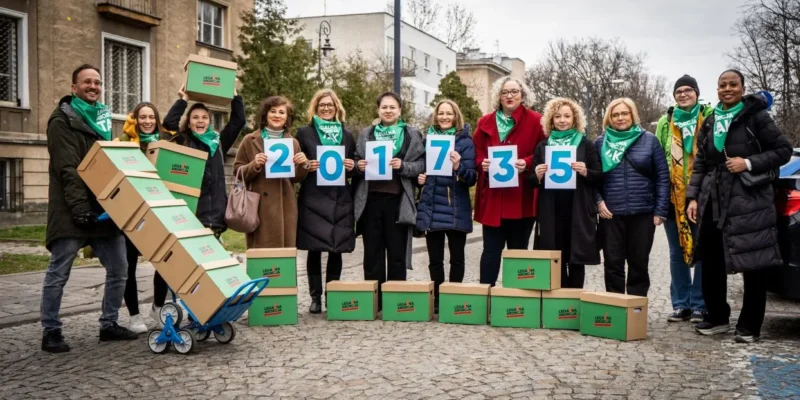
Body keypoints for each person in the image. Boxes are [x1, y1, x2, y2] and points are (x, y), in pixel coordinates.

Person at [687, 69, 791, 343]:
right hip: (714, 197)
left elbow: (783, 151)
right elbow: (700, 163)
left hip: (750, 199)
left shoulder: (756, 117)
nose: (727, 89)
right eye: (722, 85)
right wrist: (694, 197)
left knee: (753, 262)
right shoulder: (710, 121)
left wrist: (747, 163)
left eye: (733, 84)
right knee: (710, 259)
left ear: (742, 88)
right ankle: (717, 317)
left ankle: (749, 325)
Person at [41, 64, 139, 353]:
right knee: (59, 271)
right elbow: (67, 168)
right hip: (72, 209)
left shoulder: (103, 120)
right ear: (74, 88)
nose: (93, 86)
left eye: (97, 82)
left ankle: (108, 324)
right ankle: (51, 330)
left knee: (120, 268)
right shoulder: (61, 120)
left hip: (103, 209)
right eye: (87, 82)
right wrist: (80, 208)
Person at [156, 87, 245, 322]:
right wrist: (184, 99)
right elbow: (168, 123)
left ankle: (204, 311)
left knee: (209, 267)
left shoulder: (218, 143)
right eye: (195, 117)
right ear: (190, 121)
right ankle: (180, 308)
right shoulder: (184, 141)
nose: (200, 121)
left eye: (204, 117)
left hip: (214, 215)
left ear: (210, 121)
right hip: (191, 215)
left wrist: (234, 95)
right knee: (188, 267)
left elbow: (238, 121)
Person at [353, 92, 425, 309]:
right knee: (372, 253)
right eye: (384, 107)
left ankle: (396, 300)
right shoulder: (367, 133)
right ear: (378, 110)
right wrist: (359, 166)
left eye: (392, 107)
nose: (388, 111)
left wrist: (402, 166)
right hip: (371, 200)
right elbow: (356, 160)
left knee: (396, 253)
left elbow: (421, 165)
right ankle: (374, 302)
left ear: (400, 110)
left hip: (397, 201)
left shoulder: (412, 134)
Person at [594, 98, 669, 297]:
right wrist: (598, 201)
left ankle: (636, 310)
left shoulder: (649, 140)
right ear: (609, 118)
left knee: (639, 265)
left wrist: (661, 210)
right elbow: (592, 179)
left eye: (624, 113)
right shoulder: (600, 142)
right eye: (615, 114)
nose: (620, 118)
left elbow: (662, 176)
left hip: (643, 213)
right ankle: (615, 309)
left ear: (632, 115)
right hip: (611, 214)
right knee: (612, 265)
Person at [473, 77, 545, 286]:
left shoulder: (535, 120)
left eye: (514, 91)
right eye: (505, 92)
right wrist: (481, 162)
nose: (510, 96)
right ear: (499, 96)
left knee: (518, 251)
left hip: (521, 195)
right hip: (494, 197)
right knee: (490, 250)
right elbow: (476, 150)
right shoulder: (485, 122)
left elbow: (543, 150)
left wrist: (527, 162)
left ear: (522, 95)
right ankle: (486, 295)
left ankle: (515, 300)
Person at [655, 75, 712, 323]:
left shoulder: (709, 118)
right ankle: (681, 304)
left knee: (702, 250)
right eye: (679, 90)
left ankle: (700, 303)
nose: (683, 94)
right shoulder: (665, 123)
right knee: (677, 252)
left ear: (697, 93)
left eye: (688, 90)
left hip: (702, 197)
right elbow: (658, 160)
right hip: (672, 198)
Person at [293, 90, 354, 314]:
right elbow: (297, 162)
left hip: (339, 196)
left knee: (336, 248)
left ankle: (333, 294)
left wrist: (352, 166)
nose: (326, 108)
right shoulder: (304, 132)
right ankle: (315, 297)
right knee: (314, 248)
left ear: (337, 107)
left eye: (330, 105)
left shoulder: (346, 135)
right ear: (315, 107)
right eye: (322, 105)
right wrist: (306, 164)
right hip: (313, 195)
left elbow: (355, 163)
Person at [531, 98, 601, 288]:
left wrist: (586, 171)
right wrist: (537, 175)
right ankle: (559, 301)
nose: (562, 120)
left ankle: (575, 299)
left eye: (567, 116)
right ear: (551, 120)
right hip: (551, 211)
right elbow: (531, 181)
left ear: (575, 119)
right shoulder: (543, 146)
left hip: (577, 209)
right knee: (555, 256)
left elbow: (599, 174)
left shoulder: (585, 144)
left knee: (576, 257)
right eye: (558, 116)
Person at [415, 100, 476, 312]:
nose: (444, 117)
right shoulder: (427, 140)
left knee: (457, 258)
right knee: (435, 260)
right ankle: (439, 299)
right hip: (432, 205)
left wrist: (459, 166)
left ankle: (454, 296)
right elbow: (420, 170)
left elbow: (471, 178)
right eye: (441, 113)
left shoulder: (466, 142)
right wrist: (419, 179)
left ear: (455, 116)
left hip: (456, 206)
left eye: (449, 113)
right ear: (436, 116)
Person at [118, 102, 173, 333]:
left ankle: (158, 307)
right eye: (143, 117)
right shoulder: (125, 144)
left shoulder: (166, 144)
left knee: (166, 263)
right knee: (127, 267)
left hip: (158, 212)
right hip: (131, 212)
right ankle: (134, 316)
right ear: (135, 120)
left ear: (157, 120)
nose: (147, 121)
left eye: (152, 117)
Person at [233, 96, 309, 249]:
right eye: (273, 111)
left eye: (282, 112)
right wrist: (254, 164)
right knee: (262, 254)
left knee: (284, 255)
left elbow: (296, 178)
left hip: (285, 208)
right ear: (265, 115)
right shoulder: (250, 140)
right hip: (259, 206)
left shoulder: (293, 143)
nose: (277, 115)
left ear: (287, 118)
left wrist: (303, 164)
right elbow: (237, 171)